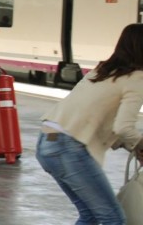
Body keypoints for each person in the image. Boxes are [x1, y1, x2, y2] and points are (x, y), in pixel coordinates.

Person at [37, 24, 143, 225]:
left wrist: (131, 146)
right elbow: (124, 127)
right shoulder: (137, 79)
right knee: (113, 218)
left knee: (91, 216)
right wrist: (140, 145)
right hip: (69, 148)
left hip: (47, 139)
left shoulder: (102, 70)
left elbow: (98, 117)